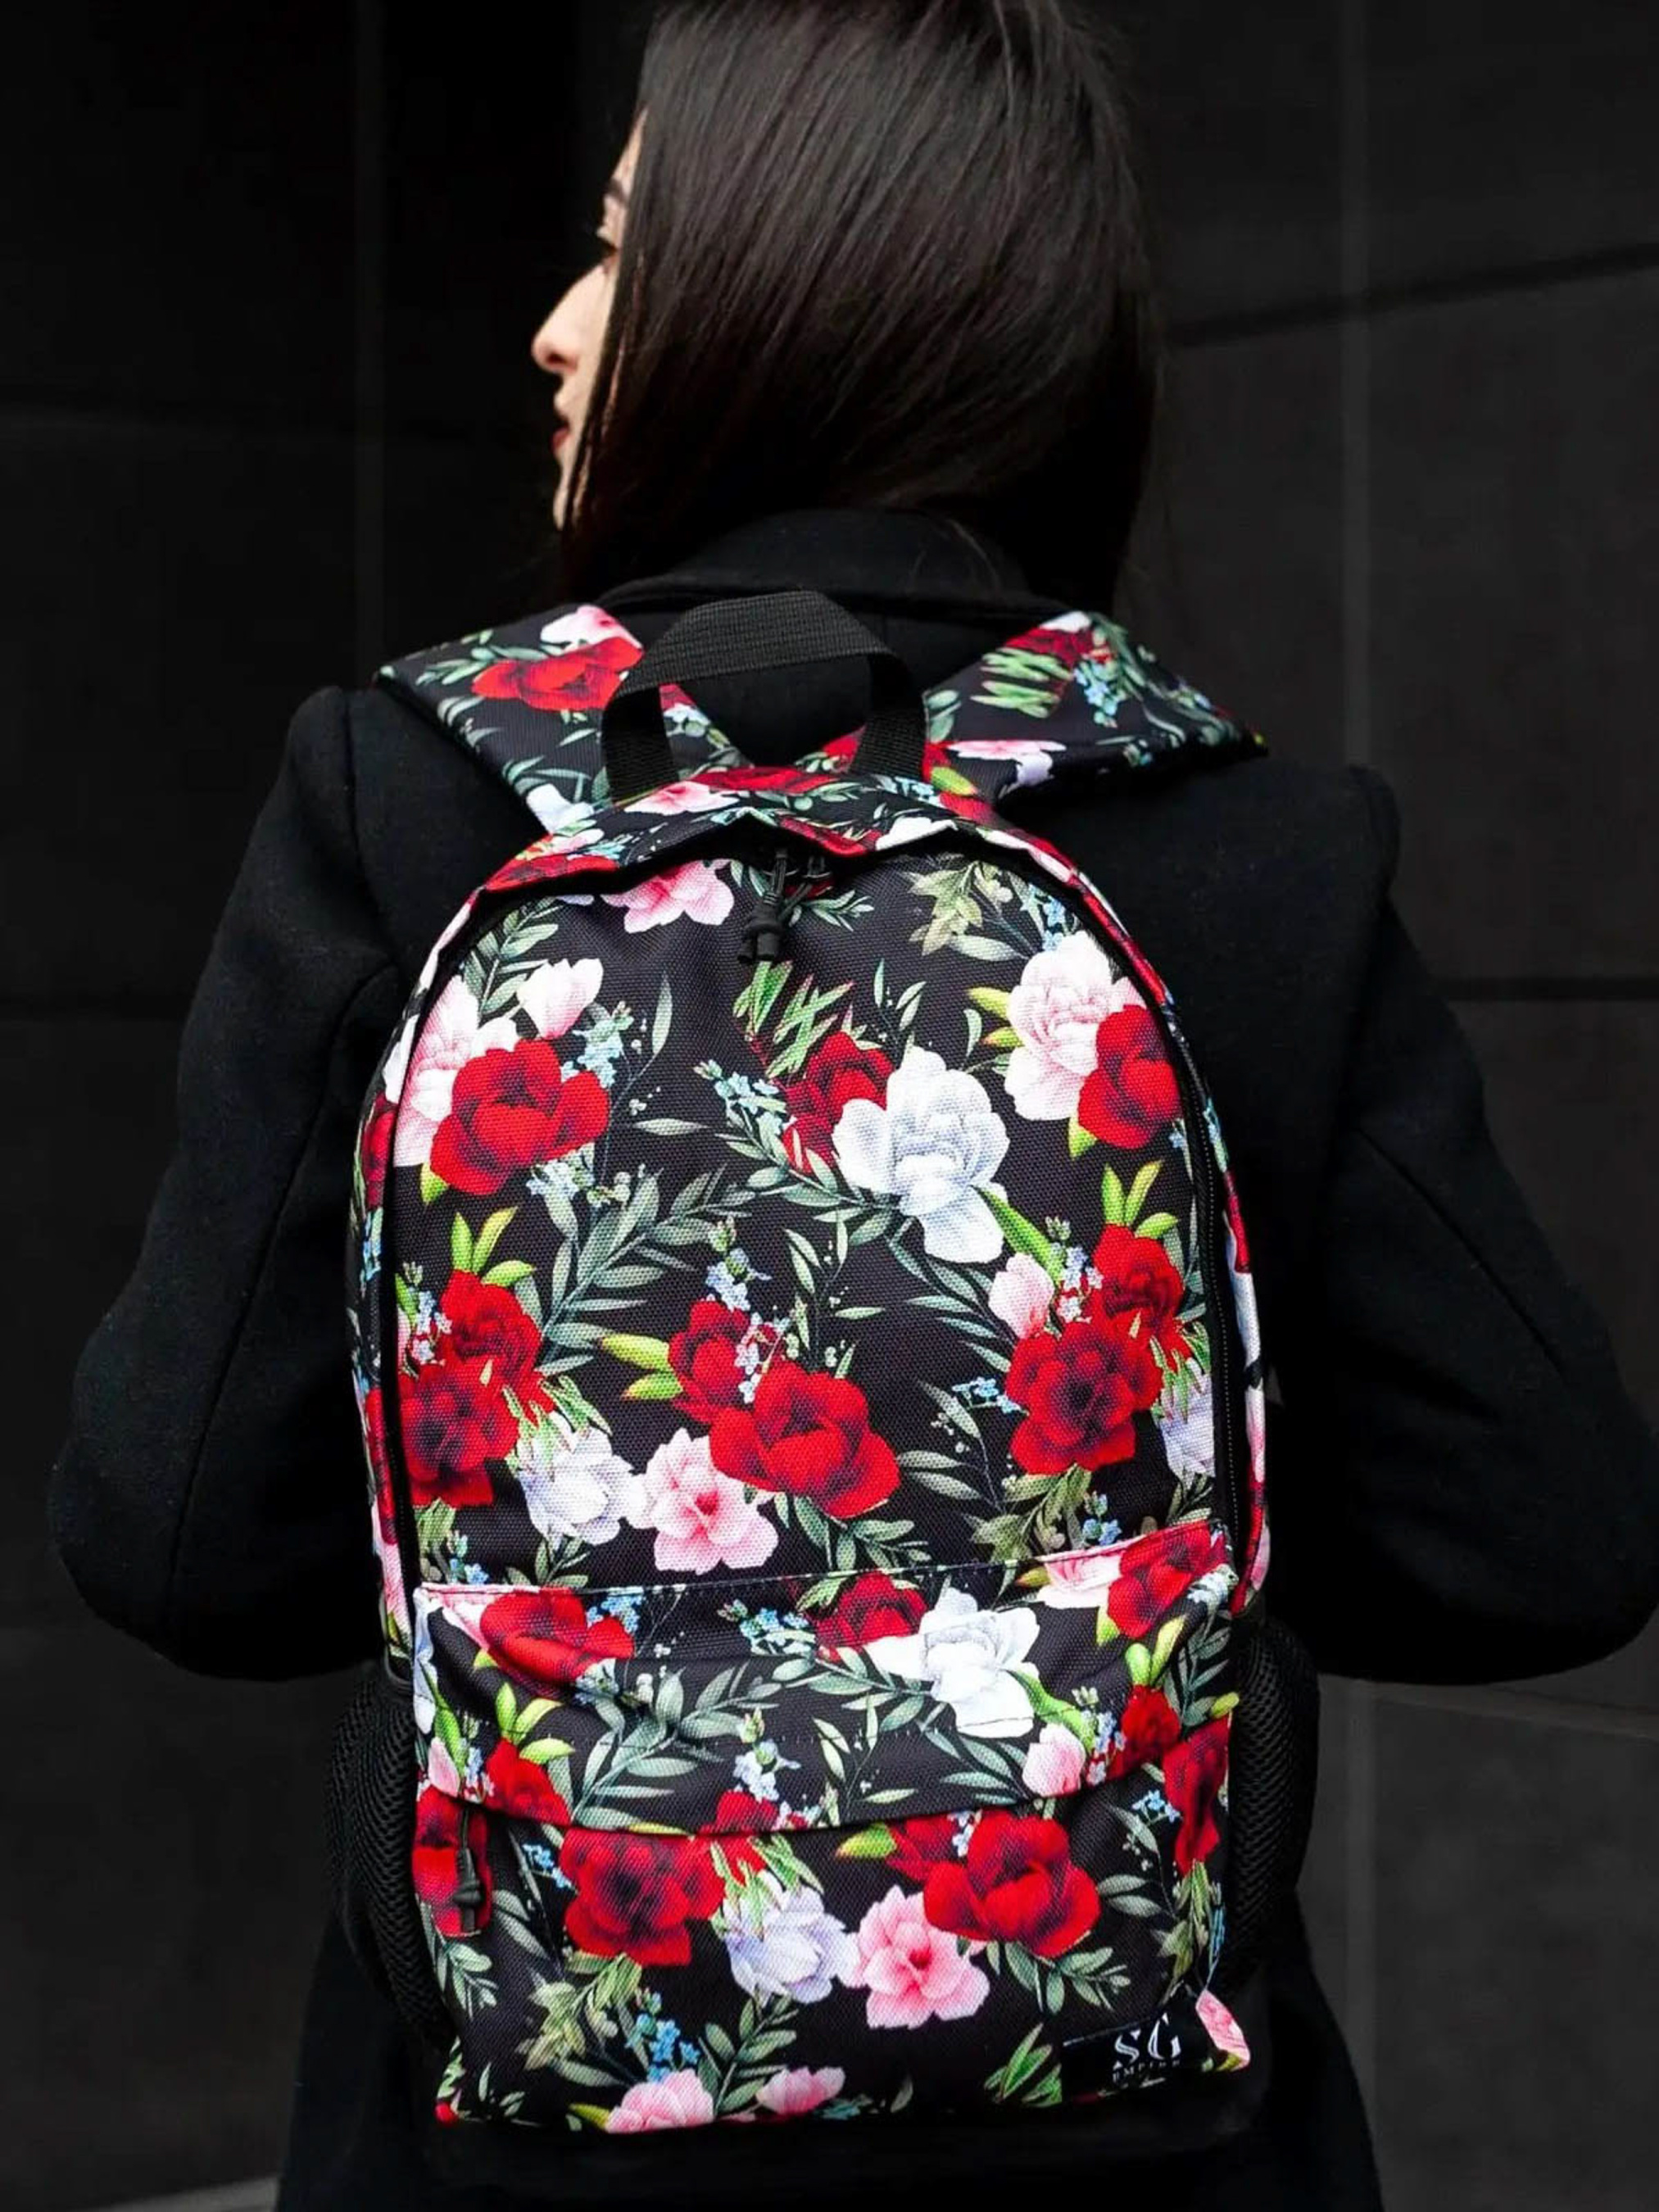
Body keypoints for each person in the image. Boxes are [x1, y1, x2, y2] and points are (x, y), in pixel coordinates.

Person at [48, 3, 1659, 2208]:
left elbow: (177, 1543)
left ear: (778, 290)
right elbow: (1545, 1544)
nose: (553, 329)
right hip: (1139, 2128)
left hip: (522, 2129)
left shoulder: (407, 798)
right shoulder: (1237, 840)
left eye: (620, 249)